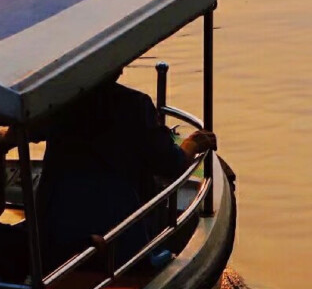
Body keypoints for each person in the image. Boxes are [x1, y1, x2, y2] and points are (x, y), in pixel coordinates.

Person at [33, 73, 216, 270]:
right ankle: (150, 255)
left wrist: (5, 139)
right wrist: (193, 144)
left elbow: (31, 129)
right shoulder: (133, 105)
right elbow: (171, 163)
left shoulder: (57, 102)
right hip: (119, 235)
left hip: (53, 233)